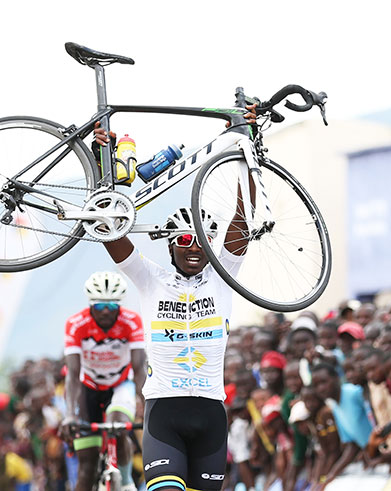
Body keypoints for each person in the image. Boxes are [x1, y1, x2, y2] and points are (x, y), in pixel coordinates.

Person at [93, 107, 256, 491]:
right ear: (170, 247)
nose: (194, 246)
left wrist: (246, 154)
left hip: (211, 414)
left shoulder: (222, 275)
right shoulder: (151, 279)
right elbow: (108, 229)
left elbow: (242, 221)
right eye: (183, 239)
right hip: (164, 412)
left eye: (200, 238)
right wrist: (101, 169)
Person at [59, 271, 145, 491]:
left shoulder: (132, 321)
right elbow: (73, 373)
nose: (106, 312)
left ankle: (125, 482)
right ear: (90, 305)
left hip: (120, 384)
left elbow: (139, 367)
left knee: (118, 425)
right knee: (86, 469)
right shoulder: (76, 323)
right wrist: (70, 415)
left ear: (120, 306)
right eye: (99, 307)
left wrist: (146, 404)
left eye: (112, 307)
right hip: (88, 387)